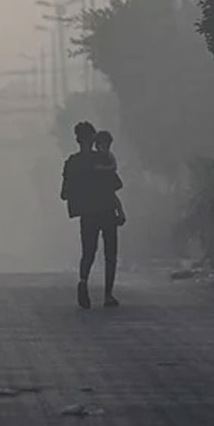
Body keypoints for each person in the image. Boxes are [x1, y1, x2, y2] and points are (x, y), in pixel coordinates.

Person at [60, 121, 123, 309]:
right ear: (93, 138)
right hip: (106, 211)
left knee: (88, 252)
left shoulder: (72, 163)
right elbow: (114, 186)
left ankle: (83, 282)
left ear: (77, 139)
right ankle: (108, 295)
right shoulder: (103, 159)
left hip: (87, 214)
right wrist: (120, 210)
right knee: (110, 254)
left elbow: (64, 194)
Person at [94, 130, 127, 228]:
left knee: (113, 197)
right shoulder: (95, 157)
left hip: (109, 180)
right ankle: (120, 213)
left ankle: (120, 213)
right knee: (112, 197)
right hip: (103, 184)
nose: (105, 147)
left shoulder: (109, 155)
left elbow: (114, 166)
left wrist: (102, 168)